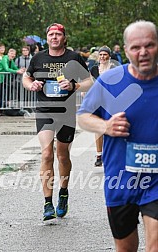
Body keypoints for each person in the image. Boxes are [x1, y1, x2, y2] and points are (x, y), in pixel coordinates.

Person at [77, 20, 158, 251]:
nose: (143, 52)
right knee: (125, 248)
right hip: (120, 181)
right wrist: (106, 127)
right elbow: (83, 116)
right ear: (125, 50)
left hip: (156, 181)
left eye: (149, 45)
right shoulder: (110, 81)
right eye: (135, 47)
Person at [22, 23, 92, 221]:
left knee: (62, 156)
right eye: (51, 34)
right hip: (45, 112)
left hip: (66, 112)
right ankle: (47, 203)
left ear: (64, 37)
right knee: (46, 154)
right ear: (47, 38)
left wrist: (74, 84)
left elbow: (89, 82)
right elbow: (26, 78)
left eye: (58, 34)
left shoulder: (73, 57)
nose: (54, 37)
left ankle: (63, 192)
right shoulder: (38, 58)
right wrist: (31, 84)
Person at [90, 45, 119, 167]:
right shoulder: (94, 69)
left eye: (105, 54)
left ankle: (111, 154)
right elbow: (91, 83)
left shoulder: (114, 68)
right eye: (100, 54)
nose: (102, 57)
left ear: (109, 56)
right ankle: (99, 155)